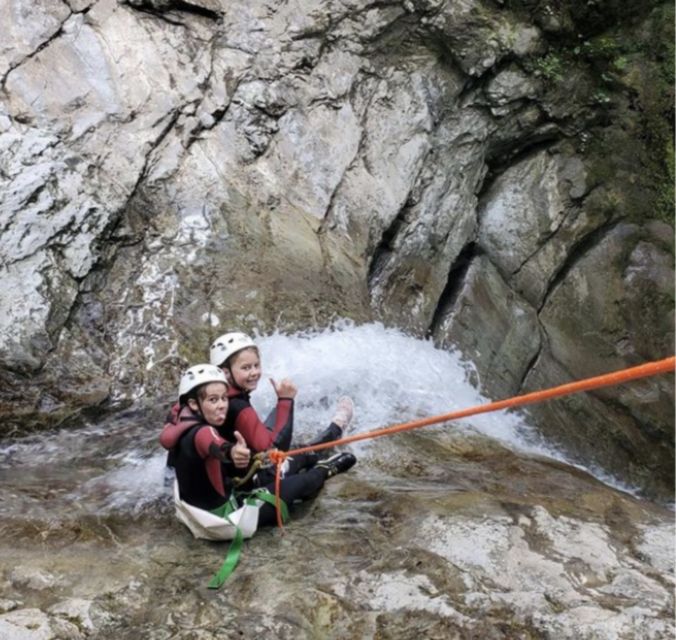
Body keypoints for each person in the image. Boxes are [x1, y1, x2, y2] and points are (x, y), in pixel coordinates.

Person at [160, 362, 357, 526]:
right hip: (230, 518)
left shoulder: (177, 421)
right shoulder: (203, 431)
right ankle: (325, 468)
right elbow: (214, 444)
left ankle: (312, 455)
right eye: (213, 400)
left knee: (296, 458)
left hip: (205, 509)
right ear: (194, 404)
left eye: (223, 398)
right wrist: (232, 452)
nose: (222, 405)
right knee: (304, 482)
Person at [208, 331, 354, 454]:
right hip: (260, 471)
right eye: (246, 368)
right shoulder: (239, 407)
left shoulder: (216, 396)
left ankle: (315, 404)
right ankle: (337, 427)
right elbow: (276, 450)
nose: (255, 373)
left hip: (243, 457)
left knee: (279, 413)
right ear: (225, 372)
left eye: (256, 365)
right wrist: (285, 400)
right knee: (306, 453)